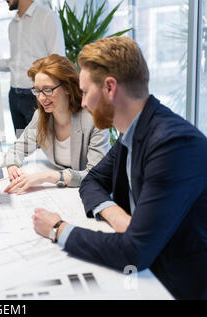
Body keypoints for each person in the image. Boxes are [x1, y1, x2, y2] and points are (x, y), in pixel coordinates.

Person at [32, 37, 207, 300]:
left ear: (110, 87)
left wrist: (58, 228)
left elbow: (134, 252)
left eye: (86, 92)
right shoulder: (132, 131)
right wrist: (114, 214)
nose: (82, 103)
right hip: (145, 270)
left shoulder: (173, 144)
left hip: (174, 283)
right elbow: (92, 180)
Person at [2, 54, 110, 194]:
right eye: (37, 90)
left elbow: (96, 175)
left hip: (91, 193)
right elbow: (17, 149)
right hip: (62, 193)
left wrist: (48, 176)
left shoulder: (94, 119)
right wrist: (13, 167)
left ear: (67, 87)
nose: (41, 98)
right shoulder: (41, 117)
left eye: (48, 90)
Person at [0, 0, 65, 137]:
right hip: (14, 97)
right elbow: (18, 60)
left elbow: (58, 60)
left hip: (36, 98)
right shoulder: (13, 25)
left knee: (43, 148)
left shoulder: (47, 17)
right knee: (23, 148)